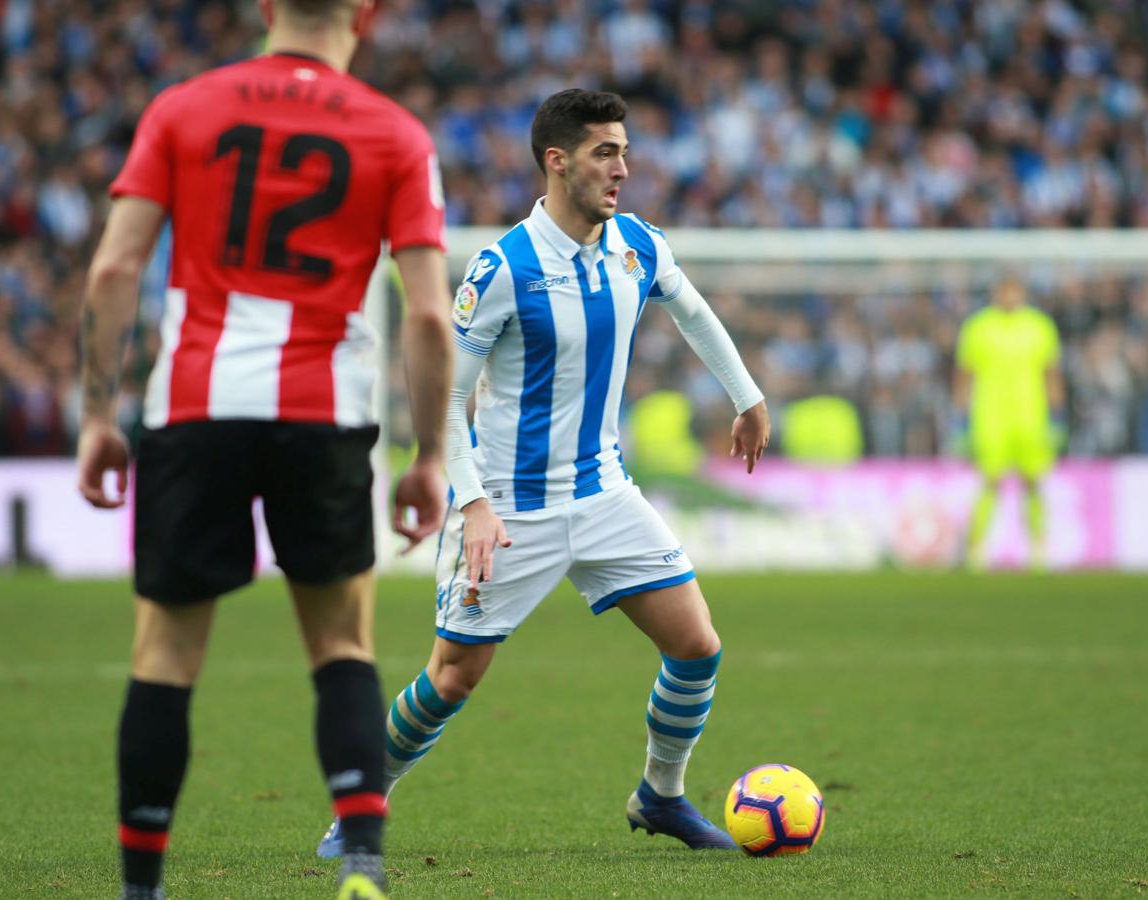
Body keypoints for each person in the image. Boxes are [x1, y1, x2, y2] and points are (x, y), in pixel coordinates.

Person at [316, 88, 771, 858]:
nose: (622, 168)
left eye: (625, 151)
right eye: (605, 153)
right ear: (557, 163)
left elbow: (692, 311)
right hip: (508, 509)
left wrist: (747, 396)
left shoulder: (638, 245)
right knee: (452, 679)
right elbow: (445, 398)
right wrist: (471, 505)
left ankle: (659, 796)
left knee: (696, 644)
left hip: (602, 494)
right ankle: (360, 811)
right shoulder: (502, 269)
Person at [74, 1, 453, 897]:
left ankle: (140, 886)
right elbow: (431, 313)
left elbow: (114, 268)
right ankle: (361, 865)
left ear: (265, 6)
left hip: (196, 402)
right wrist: (429, 454)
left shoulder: (183, 107)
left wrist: (95, 415)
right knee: (341, 646)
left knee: (165, 653)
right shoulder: (394, 133)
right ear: (367, 13)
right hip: (321, 412)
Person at [953, 276, 1064, 570]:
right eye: (1005, 291)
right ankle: (976, 549)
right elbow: (965, 374)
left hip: (1031, 415)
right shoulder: (978, 326)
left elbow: (1051, 372)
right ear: (996, 292)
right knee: (990, 481)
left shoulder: (1040, 326)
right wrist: (960, 419)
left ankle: (1039, 547)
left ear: (1022, 293)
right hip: (990, 416)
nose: (1010, 296)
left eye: (1015, 291)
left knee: (1034, 481)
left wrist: (1057, 415)